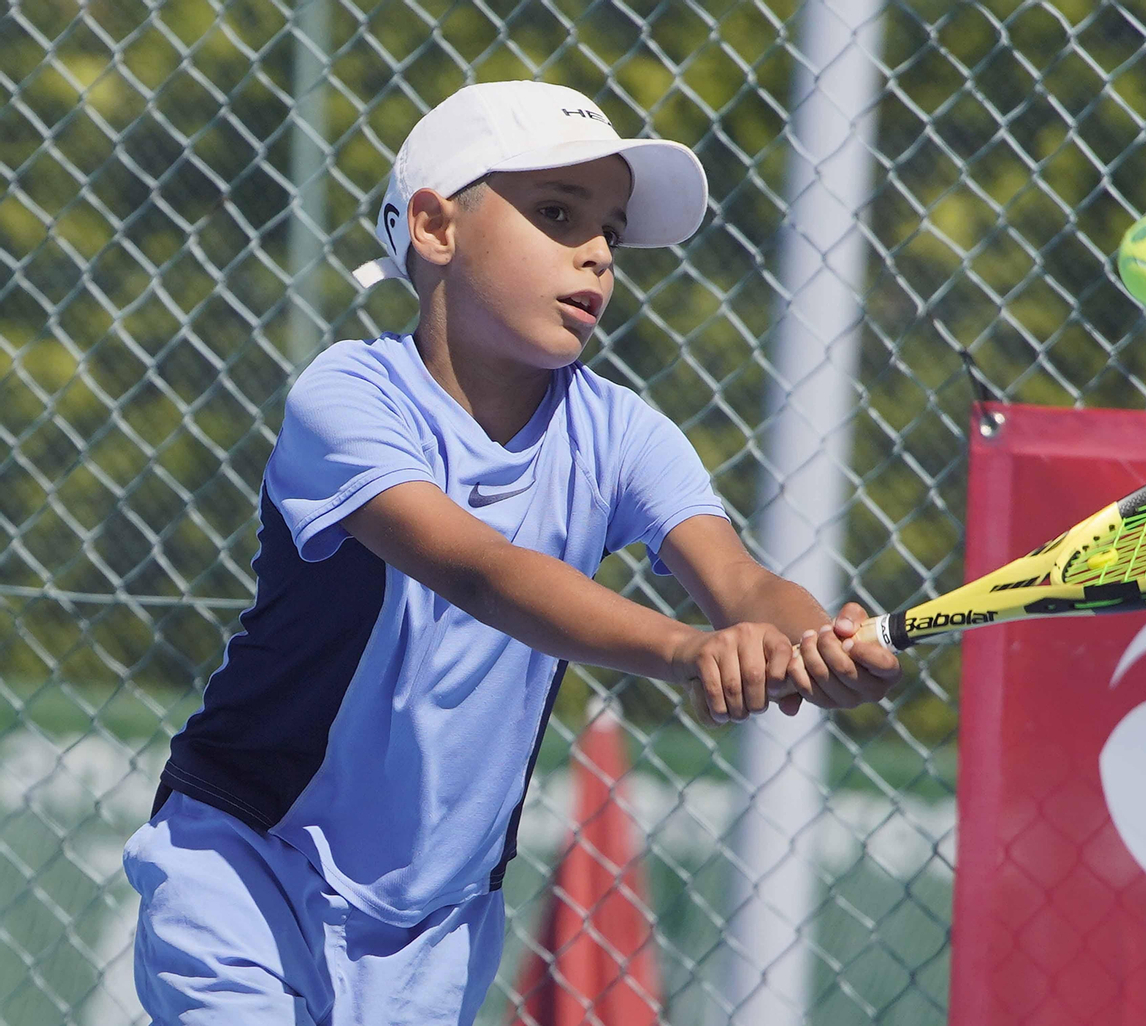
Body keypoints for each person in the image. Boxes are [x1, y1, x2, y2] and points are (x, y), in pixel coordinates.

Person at [121, 79, 901, 1024]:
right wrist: (687, 650)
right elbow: (481, 570)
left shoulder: (622, 433)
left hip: (438, 929)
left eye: (611, 229)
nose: (597, 253)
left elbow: (738, 583)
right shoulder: (349, 396)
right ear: (434, 226)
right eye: (557, 213)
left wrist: (819, 643)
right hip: (249, 863)